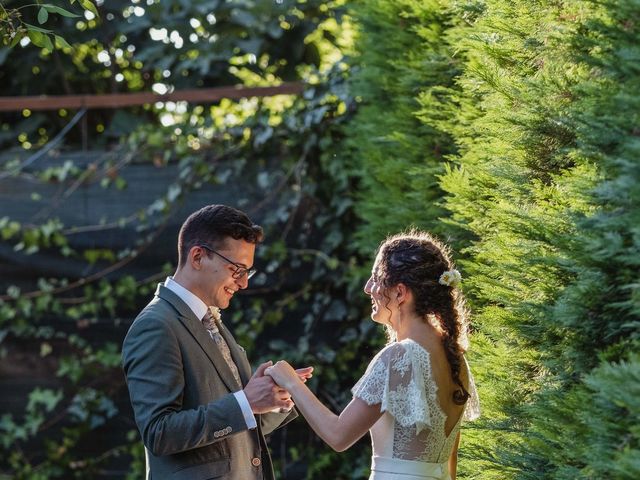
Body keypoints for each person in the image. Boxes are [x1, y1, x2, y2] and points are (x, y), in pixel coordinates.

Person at [266, 230, 480, 480]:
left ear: (400, 293)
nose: (368, 288)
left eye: (376, 278)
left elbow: (338, 436)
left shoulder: (399, 357)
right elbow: (450, 459)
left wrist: (290, 380)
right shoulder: (455, 357)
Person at [122, 204, 312, 480]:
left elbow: (232, 430)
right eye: (237, 269)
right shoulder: (155, 326)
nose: (244, 283)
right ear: (198, 257)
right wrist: (246, 402)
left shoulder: (209, 320)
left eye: (248, 271)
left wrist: (274, 397)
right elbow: (159, 433)